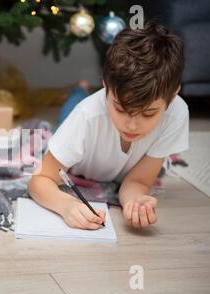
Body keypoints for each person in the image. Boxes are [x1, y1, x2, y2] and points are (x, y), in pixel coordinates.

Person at [29, 21, 189, 230]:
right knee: (67, 114)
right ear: (105, 83)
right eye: (121, 109)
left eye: (148, 113)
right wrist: (67, 206)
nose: (132, 125)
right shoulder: (86, 116)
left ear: (173, 94)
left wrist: (134, 202)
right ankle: (79, 90)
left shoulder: (176, 114)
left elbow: (138, 181)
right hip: (78, 126)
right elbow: (39, 179)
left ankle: (82, 91)